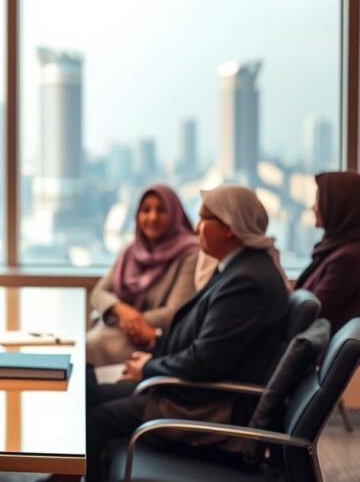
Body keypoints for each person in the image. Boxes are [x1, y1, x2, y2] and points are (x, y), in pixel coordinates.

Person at [84, 185, 289, 482]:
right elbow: (202, 340)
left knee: (95, 418)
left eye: (205, 219)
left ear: (230, 228)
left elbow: (205, 361)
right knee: (90, 393)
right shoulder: (237, 269)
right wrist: (156, 345)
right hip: (195, 390)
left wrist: (147, 368)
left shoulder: (247, 282)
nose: (196, 227)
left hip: (205, 406)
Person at [86, 184, 199, 366]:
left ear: (175, 214)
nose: (152, 217)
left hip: (152, 340)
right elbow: (99, 293)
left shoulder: (191, 253)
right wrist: (122, 311)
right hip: (118, 330)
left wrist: (131, 321)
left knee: (87, 351)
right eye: (146, 210)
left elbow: (175, 312)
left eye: (161, 210)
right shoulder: (131, 250)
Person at [295, 171, 360, 333]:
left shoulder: (349, 258)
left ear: (339, 205)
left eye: (318, 200)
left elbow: (308, 315)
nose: (313, 207)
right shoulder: (334, 249)